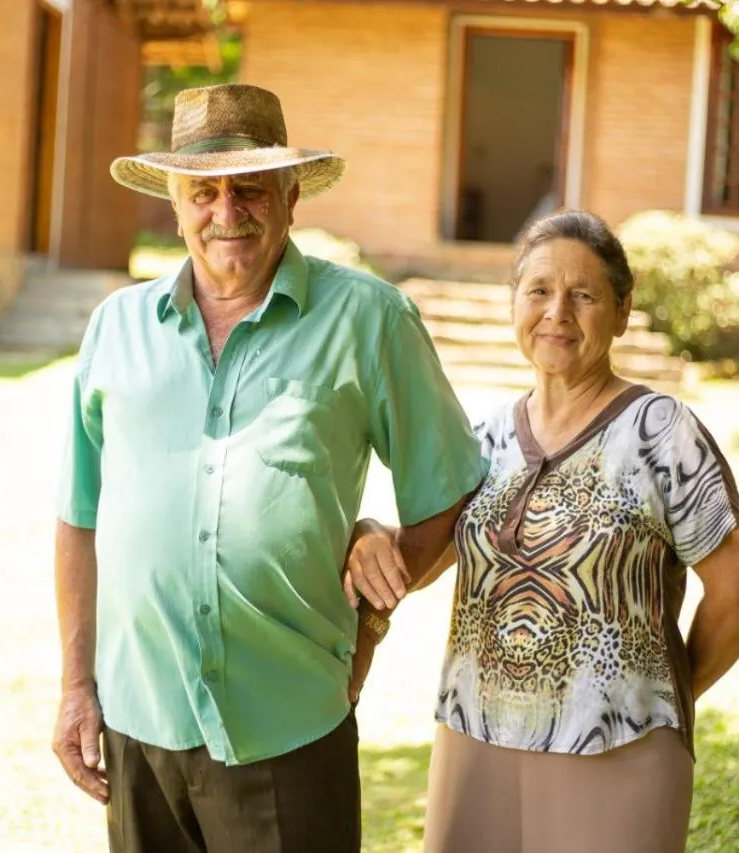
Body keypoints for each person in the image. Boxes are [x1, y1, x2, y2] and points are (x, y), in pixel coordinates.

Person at [51, 83, 485, 853]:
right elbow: (79, 518)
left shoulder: (369, 320)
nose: (227, 210)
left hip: (289, 726)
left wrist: (376, 600)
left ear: (290, 196)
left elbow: (451, 493)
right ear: (176, 203)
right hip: (137, 723)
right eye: (204, 191)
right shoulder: (115, 328)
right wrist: (77, 687)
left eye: (250, 187)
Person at [345, 210, 739, 853]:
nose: (557, 313)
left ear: (623, 312)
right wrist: (371, 531)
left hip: (619, 748)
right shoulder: (484, 439)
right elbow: (425, 562)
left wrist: (664, 694)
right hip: (474, 736)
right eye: (539, 290)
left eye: (585, 295)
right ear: (514, 302)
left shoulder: (660, 431)